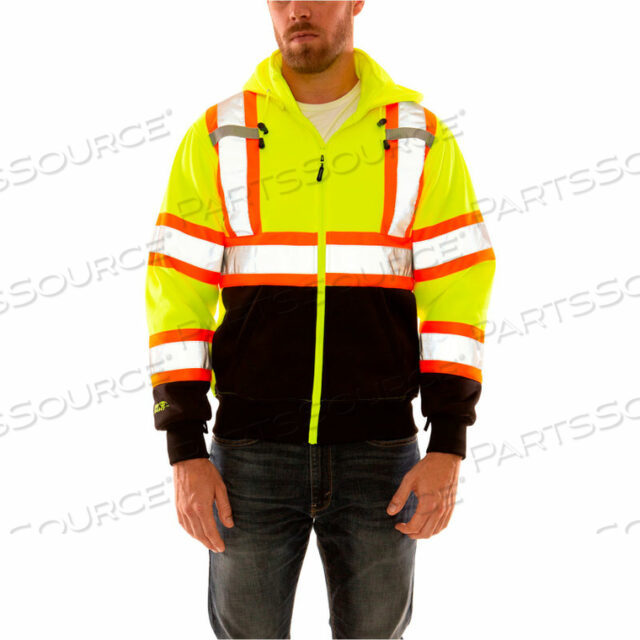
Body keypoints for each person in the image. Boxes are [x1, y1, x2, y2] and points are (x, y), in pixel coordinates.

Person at [144, 1, 496, 637]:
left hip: (380, 458)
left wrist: (449, 440)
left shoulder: (416, 137)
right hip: (248, 456)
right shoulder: (221, 135)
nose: (297, 9)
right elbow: (177, 295)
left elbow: (458, 292)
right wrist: (184, 448)